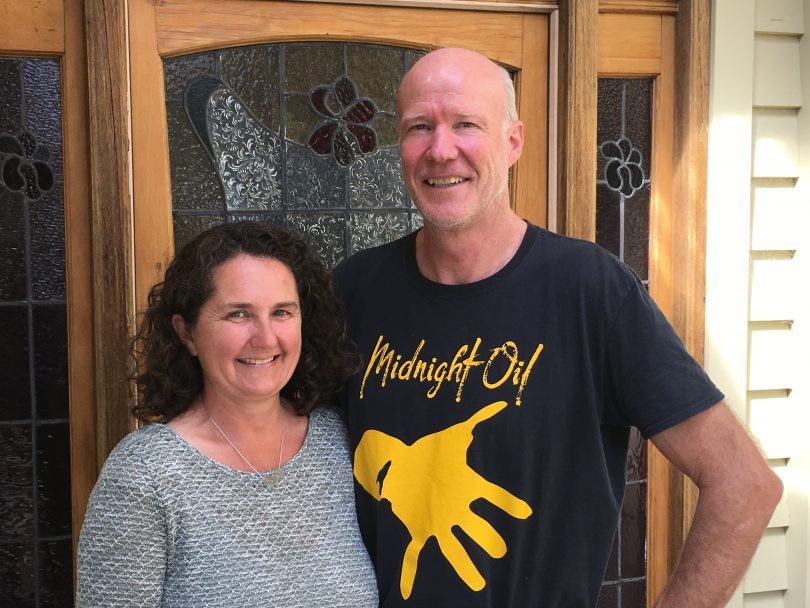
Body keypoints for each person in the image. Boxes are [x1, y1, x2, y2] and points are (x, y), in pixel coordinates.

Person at [332, 47, 782, 607]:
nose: (441, 150)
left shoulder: (590, 291)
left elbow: (744, 485)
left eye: (466, 125)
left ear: (514, 141)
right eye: (419, 127)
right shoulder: (354, 291)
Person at [76, 221, 378, 607]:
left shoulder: (339, 438)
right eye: (238, 314)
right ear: (186, 333)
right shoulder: (144, 477)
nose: (266, 338)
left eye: (282, 312)